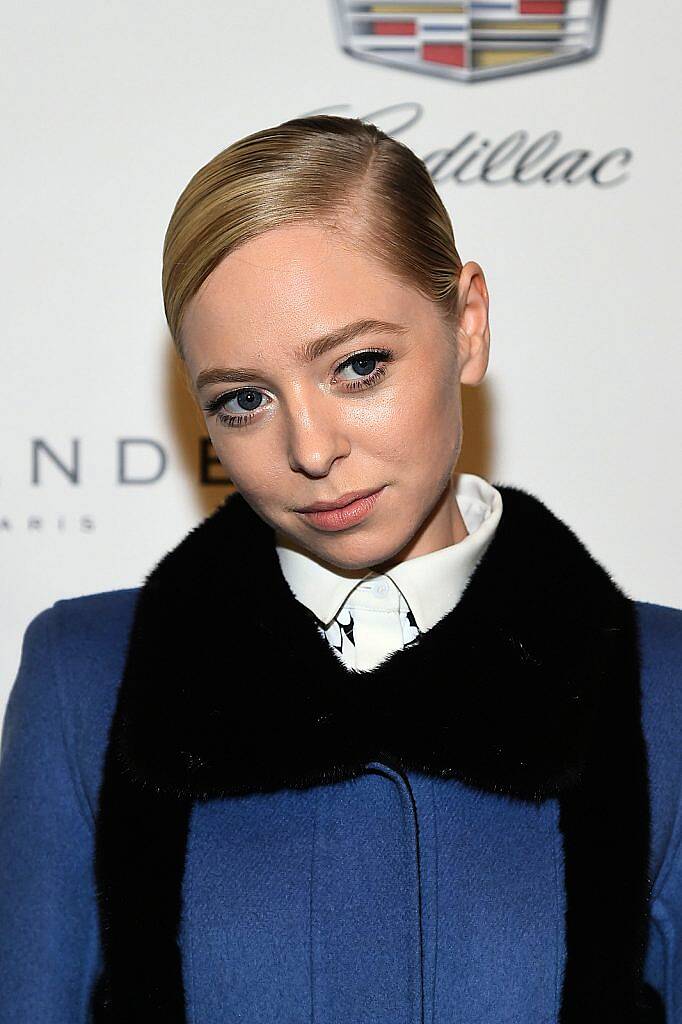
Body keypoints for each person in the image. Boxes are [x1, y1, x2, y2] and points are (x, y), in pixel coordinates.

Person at [0, 114, 680, 1024]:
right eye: (244, 400)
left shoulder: (663, 688)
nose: (310, 449)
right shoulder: (85, 681)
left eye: (359, 366)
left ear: (467, 323)